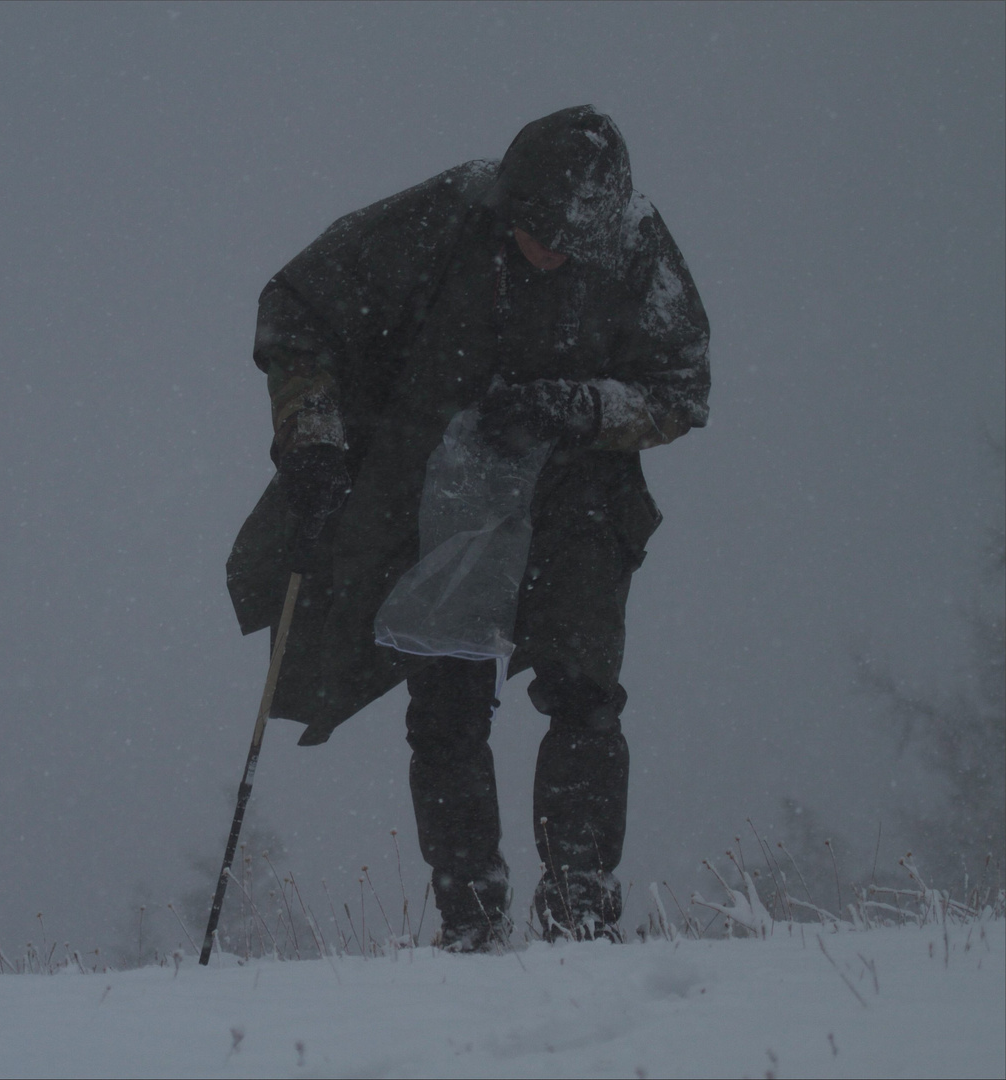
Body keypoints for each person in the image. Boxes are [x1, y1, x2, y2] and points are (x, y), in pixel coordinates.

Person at [226, 105, 710, 948]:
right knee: (447, 703)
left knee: (583, 690)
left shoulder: (634, 245)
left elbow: (680, 390)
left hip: (579, 496)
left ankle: (582, 908)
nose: (547, 251)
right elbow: (298, 308)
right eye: (532, 232)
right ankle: (471, 921)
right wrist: (312, 441)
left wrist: (580, 406)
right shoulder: (445, 215)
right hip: (435, 491)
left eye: (567, 242)